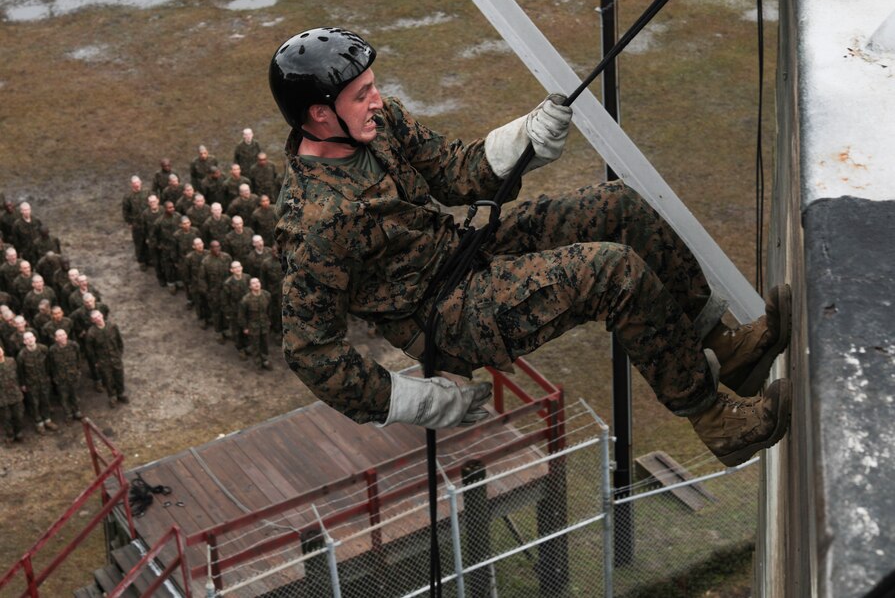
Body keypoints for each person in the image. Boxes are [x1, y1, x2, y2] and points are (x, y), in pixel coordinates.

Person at [268, 27, 793, 467]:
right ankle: (714, 418)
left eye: (373, 87)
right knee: (610, 272)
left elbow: (453, 172)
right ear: (319, 115)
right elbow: (311, 349)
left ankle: (725, 346)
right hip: (448, 317)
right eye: (361, 94)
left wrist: (525, 138)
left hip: (464, 252)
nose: (377, 100)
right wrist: (410, 401)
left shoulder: (378, 126)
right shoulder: (316, 222)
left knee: (617, 207)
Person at [16, 331, 57, 433]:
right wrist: (23, 384)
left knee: (46, 400)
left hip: (44, 381)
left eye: (31, 337)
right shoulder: (22, 355)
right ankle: (39, 423)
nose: (30, 340)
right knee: (34, 404)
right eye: (27, 339)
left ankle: (47, 420)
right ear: (24, 342)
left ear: (35, 338)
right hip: (31, 384)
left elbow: (49, 364)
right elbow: (20, 372)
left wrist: (49, 377)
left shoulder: (43, 349)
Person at [85, 311, 127, 408]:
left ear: (102, 315)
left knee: (119, 376)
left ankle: (121, 393)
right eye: (95, 318)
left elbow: (119, 341)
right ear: (92, 320)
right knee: (108, 379)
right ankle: (112, 397)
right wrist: (96, 362)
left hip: (115, 357)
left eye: (99, 316)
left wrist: (119, 353)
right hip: (103, 361)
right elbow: (90, 351)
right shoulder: (91, 333)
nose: (98, 319)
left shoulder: (112, 326)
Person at [198, 241, 232, 342]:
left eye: (218, 246)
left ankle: (226, 329)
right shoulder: (206, 262)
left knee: (226, 310)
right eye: (214, 247)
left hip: (226, 291)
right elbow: (202, 278)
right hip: (214, 292)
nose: (217, 249)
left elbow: (232, 272)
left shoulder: (226, 257)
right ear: (210, 248)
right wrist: (206, 292)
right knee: (216, 313)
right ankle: (219, 332)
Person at [47, 329, 82, 422]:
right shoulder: (52, 350)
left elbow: (79, 359)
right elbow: (51, 365)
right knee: (64, 398)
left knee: (74, 395)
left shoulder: (74, 345)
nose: (62, 337)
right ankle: (68, 414)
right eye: (59, 336)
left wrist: (78, 371)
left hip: (73, 376)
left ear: (66, 335)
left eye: (63, 335)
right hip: (61, 379)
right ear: (56, 338)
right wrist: (55, 377)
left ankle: (77, 411)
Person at [239, 277, 272, 370]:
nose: (256, 284)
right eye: (253, 283)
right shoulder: (246, 299)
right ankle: (258, 363)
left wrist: (269, 321)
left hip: (265, 325)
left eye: (258, 282)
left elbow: (269, 310)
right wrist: (245, 327)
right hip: (253, 326)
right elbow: (242, 315)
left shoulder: (267, 295)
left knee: (265, 344)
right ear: (250, 286)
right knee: (255, 345)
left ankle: (265, 360)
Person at [222, 261, 250, 356]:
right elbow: (225, 300)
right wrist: (228, 313)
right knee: (237, 331)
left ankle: (247, 345)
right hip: (235, 311)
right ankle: (240, 349)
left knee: (247, 328)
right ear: (231, 270)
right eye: (235, 268)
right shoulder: (228, 283)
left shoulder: (247, 278)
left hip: (247, 310)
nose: (238, 269)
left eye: (239, 267)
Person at [0, 344, 25, 443]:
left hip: (15, 393)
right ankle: (10, 435)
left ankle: (19, 433)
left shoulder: (11, 361)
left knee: (18, 415)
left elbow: (19, 374)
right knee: (6, 418)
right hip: (2, 397)